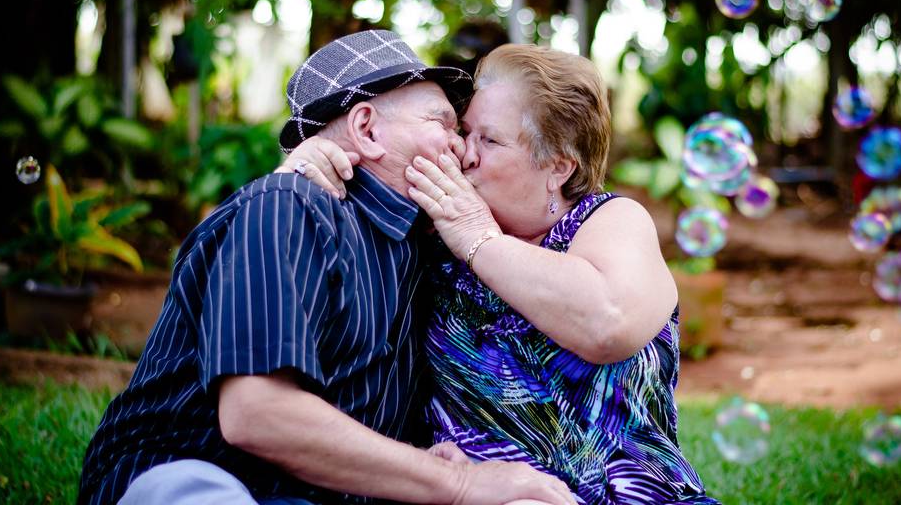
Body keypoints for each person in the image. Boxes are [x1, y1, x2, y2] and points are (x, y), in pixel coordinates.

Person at [79, 30, 578, 505]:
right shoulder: (291, 205)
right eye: (444, 124)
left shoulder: (425, 244)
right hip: (199, 475)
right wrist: (460, 481)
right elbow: (258, 415)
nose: (463, 149)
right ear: (366, 128)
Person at [282, 43, 718, 504]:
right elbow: (329, 262)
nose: (464, 153)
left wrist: (479, 237)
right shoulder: (432, 234)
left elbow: (607, 323)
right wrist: (301, 177)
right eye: (465, 133)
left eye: (489, 140)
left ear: (557, 167)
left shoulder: (613, 222)